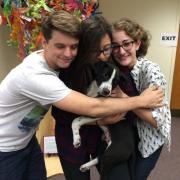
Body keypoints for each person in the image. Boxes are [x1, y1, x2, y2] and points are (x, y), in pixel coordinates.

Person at [0, 10, 163, 180]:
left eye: (107, 49)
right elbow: (88, 108)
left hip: (29, 141)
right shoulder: (45, 74)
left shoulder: (103, 66)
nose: (68, 53)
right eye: (60, 46)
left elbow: (126, 112)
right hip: (9, 147)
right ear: (44, 43)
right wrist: (140, 101)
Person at [52, 15, 135, 180]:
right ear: (84, 49)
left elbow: (129, 108)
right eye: (96, 51)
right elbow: (60, 114)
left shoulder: (113, 67)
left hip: (105, 138)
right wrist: (99, 120)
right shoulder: (68, 70)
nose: (103, 56)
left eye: (107, 48)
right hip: (71, 139)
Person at [111, 17, 171, 180]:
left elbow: (157, 121)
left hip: (149, 138)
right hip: (129, 134)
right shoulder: (115, 70)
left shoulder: (152, 71)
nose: (121, 51)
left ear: (137, 43)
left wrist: (125, 99)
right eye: (115, 46)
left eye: (126, 43)